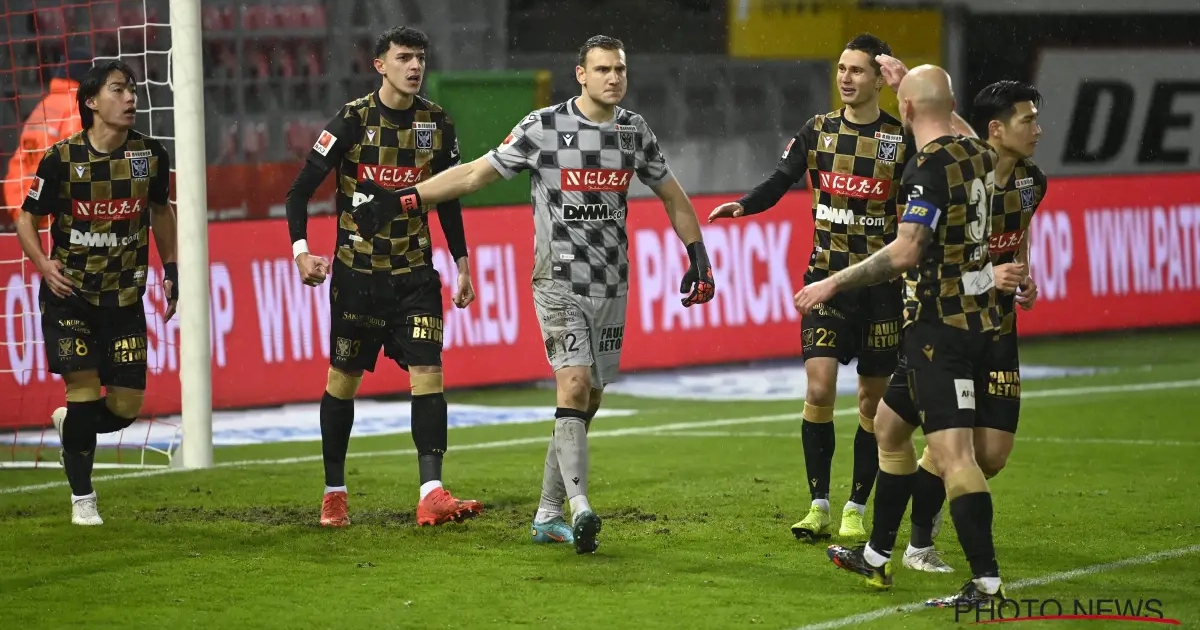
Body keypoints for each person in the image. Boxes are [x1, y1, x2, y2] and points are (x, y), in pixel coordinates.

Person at [353, 34, 715, 553]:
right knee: (574, 384)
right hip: (557, 282)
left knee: (588, 400)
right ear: (580, 75)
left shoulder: (634, 131)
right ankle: (581, 507)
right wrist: (403, 200)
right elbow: (472, 174)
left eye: (620, 69)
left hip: (612, 284)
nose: (614, 78)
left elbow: (672, 194)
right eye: (603, 69)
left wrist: (697, 252)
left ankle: (547, 513)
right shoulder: (542, 127)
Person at [796, 65, 1024, 607]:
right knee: (889, 426)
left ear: (907, 110)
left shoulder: (926, 167)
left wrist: (833, 282)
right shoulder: (976, 154)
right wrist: (915, 87)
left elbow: (905, 251)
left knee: (954, 457)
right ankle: (876, 555)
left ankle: (986, 582)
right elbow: (958, 128)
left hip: (937, 330)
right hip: (975, 319)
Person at [709, 34, 928, 543]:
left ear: (879, 79)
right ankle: (818, 505)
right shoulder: (818, 130)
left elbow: (935, 169)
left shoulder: (900, 138)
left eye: (857, 70)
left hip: (881, 289)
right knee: (819, 387)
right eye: (841, 68)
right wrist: (745, 204)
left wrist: (912, 100)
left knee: (872, 403)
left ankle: (856, 506)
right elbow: (780, 178)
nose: (846, 78)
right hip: (824, 283)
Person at [284, 26, 480, 529]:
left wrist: (461, 262)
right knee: (342, 382)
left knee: (429, 373)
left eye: (420, 58)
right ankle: (334, 493)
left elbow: (447, 197)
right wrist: (301, 252)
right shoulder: (353, 121)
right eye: (404, 58)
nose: (415, 66)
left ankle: (431, 492)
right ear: (380, 65)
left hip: (415, 276)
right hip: (358, 278)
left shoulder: (437, 123)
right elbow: (299, 191)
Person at [17, 60, 177, 526]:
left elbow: (161, 210)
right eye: (118, 90)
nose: (131, 98)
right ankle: (83, 499)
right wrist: (43, 264)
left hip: (124, 299)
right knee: (83, 392)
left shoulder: (150, 155)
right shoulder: (61, 159)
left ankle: (74, 427)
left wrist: (171, 268)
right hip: (71, 297)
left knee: (126, 408)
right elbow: (27, 217)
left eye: (132, 90)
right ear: (91, 101)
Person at [902, 80, 1046, 574]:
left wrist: (1024, 275)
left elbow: (1019, 232)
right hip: (951, 324)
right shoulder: (962, 179)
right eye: (1028, 120)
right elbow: (930, 259)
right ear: (997, 129)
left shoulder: (1032, 181)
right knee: (940, 445)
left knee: (992, 456)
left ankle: (927, 496)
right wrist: (988, 276)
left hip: (999, 327)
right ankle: (917, 543)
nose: (1037, 130)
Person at [4, 49, 91, 226]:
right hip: (58, 221)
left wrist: (20, 213)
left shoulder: (43, 106)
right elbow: (79, 166)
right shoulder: (77, 109)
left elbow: (18, 165)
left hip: (29, 213)